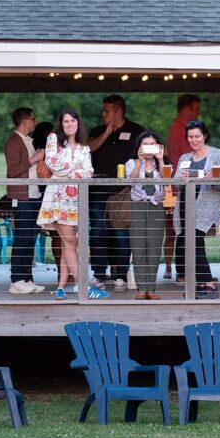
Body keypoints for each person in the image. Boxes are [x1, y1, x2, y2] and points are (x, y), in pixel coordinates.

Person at [37, 109, 108, 300]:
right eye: (65, 121)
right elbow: (52, 163)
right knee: (70, 241)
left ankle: (61, 286)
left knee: (69, 243)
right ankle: (83, 286)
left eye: (72, 121)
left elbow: (89, 173)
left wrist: (69, 172)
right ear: (61, 124)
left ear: (78, 123)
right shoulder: (54, 140)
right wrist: (75, 170)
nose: (69, 124)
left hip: (76, 200)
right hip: (58, 199)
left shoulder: (84, 149)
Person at [87, 95, 145, 293]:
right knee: (98, 232)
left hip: (123, 192)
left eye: (107, 111)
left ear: (118, 111)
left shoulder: (137, 131)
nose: (103, 114)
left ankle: (121, 275)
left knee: (121, 233)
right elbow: (86, 150)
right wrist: (105, 134)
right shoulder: (97, 131)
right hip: (98, 190)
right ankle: (99, 274)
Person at [172, 120, 220, 299]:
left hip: (205, 206)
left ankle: (209, 284)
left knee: (195, 242)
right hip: (184, 206)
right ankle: (198, 284)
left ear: (205, 135)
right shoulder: (184, 158)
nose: (194, 140)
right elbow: (175, 183)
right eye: (190, 137)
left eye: (197, 136)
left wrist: (212, 178)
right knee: (187, 244)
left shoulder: (218, 155)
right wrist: (180, 178)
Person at [4, 107, 45, 295]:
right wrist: (34, 159)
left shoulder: (28, 141)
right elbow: (12, 171)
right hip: (22, 196)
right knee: (22, 238)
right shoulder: (13, 142)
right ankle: (16, 279)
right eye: (33, 119)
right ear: (24, 121)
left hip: (34, 195)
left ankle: (27, 278)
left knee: (30, 239)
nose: (35, 122)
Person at [126, 130, 168, 300]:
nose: (149, 148)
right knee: (138, 248)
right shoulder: (131, 162)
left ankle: (151, 288)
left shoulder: (162, 164)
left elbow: (167, 181)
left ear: (158, 146)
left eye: (152, 144)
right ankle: (141, 288)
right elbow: (132, 180)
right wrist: (139, 162)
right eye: (145, 144)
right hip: (137, 207)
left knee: (154, 248)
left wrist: (161, 159)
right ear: (139, 146)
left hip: (156, 207)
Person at [165, 94, 201, 281]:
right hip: (183, 185)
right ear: (186, 109)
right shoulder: (182, 130)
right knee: (184, 228)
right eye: (196, 109)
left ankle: (189, 270)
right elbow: (190, 158)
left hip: (178, 184)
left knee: (184, 228)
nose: (198, 113)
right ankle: (184, 271)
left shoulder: (176, 128)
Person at [32, 120, 67, 285]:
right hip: (49, 197)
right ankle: (62, 273)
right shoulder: (44, 153)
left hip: (41, 197)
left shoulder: (40, 151)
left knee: (56, 236)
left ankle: (63, 273)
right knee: (59, 236)